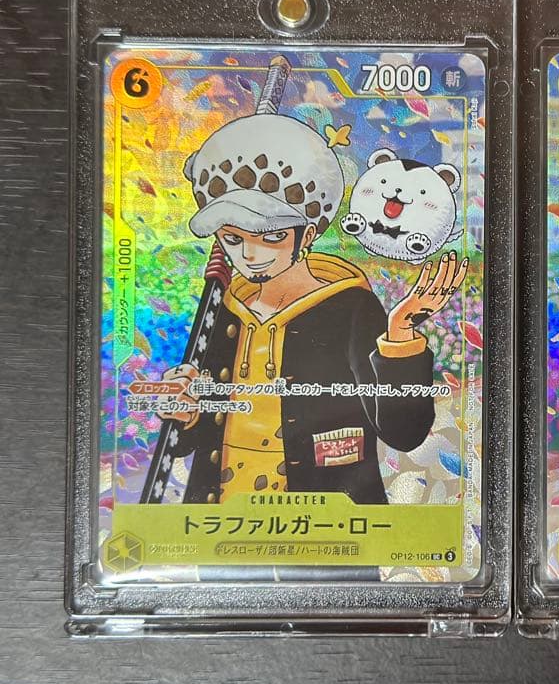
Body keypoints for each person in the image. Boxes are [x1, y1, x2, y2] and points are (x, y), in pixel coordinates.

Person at [156, 110, 466, 505]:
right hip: (220, 523)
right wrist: (187, 414)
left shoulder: (348, 307)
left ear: (308, 235)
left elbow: (403, 433)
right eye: (232, 238)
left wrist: (400, 336)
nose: (250, 255)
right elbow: (196, 438)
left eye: (272, 237)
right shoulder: (225, 307)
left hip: (328, 523)